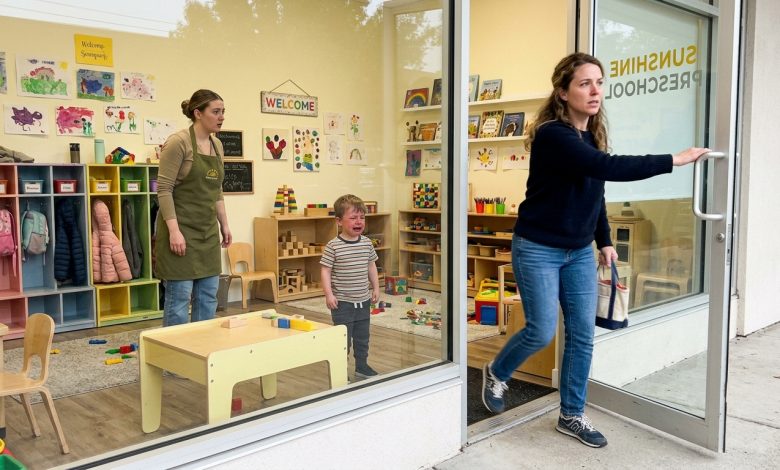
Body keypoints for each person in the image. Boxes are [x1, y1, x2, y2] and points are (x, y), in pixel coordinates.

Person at [481, 53, 709, 448]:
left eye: (599, 82)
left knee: (583, 336)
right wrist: (675, 159)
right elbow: (610, 169)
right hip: (538, 247)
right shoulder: (554, 135)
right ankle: (497, 371)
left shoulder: (590, 137)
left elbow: (595, 192)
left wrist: (603, 240)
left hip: (578, 252)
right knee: (540, 330)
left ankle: (571, 414)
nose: (595, 90)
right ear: (563, 92)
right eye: (585, 83)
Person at [155, 89, 232, 327]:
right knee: (178, 301)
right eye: (215, 112)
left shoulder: (217, 145)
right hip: (180, 230)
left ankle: (201, 359)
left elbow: (216, 190)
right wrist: (174, 232)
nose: (221, 117)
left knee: (208, 299)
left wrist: (224, 224)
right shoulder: (178, 143)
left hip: (207, 234)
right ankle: (173, 363)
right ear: (198, 113)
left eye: (223, 112)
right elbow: (164, 190)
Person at [320, 194, 381, 379]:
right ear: (339, 221)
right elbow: (325, 271)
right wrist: (328, 294)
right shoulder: (333, 246)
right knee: (343, 339)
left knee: (363, 337)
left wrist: (376, 288)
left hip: (363, 300)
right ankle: (340, 371)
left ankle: (361, 366)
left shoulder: (367, 243)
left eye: (362, 217)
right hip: (342, 303)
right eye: (353, 217)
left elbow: (371, 266)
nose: (358, 221)